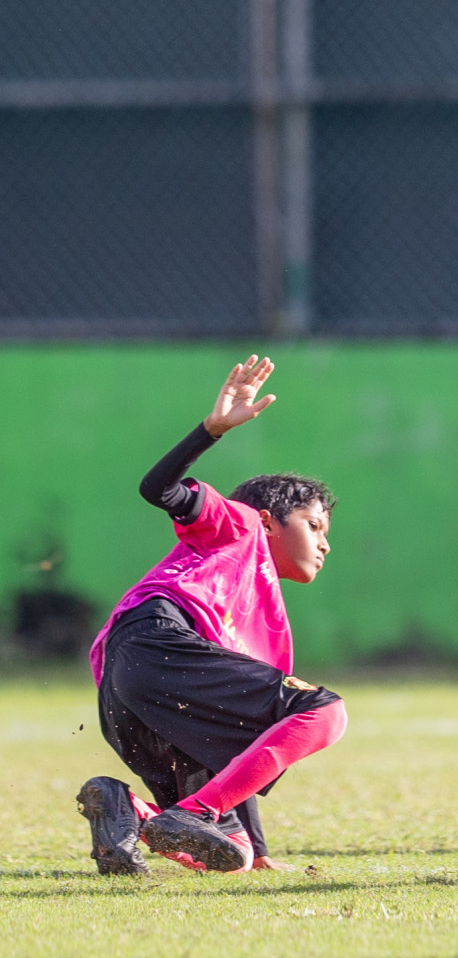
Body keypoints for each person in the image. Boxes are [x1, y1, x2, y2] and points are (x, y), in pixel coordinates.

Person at [77, 356, 348, 874]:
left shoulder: (256, 614)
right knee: (325, 711)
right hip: (158, 643)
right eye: (315, 526)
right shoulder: (239, 524)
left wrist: (264, 854)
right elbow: (157, 489)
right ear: (269, 520)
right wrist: (211, 430)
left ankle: (127, 811)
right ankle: (195, 811)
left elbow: (238, 753)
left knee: (233, 855)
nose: (324, 544)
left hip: (126, 689)